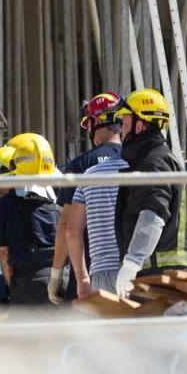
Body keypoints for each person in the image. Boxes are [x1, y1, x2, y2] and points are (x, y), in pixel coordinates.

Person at [111, 89, 187, 298]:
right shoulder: (155, 159)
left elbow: (153, 215)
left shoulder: (154, 162)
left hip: (161, 278)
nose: (121, 132)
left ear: (139, 125)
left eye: (124, 124)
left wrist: (132, 262)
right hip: (163, 274)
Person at [47, 93, 125, 304]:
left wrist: (56, 274)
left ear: (97, 121)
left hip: (90, 272)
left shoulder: (82, 166)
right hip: (132, 267)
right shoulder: (135, 159)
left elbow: (67, 226)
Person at [0, 133, 61, 305]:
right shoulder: (61, 197)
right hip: (62, 277)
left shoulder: (6, 205)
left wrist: (11, 286)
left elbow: (4, 254)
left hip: (28, 283)